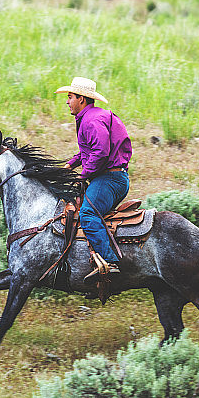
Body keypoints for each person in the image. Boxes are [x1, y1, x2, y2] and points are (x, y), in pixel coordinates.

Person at [55, 77, 132, 281]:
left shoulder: (91, 120)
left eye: (70, 97)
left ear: (81, 99)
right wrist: (69, 165)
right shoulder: (91, 117)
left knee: (88, 213)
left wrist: (82, 176)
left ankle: (110, 262)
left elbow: (101, 153)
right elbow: (87, 151)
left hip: (110, 179)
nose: (67, 101)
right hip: (109, 177)